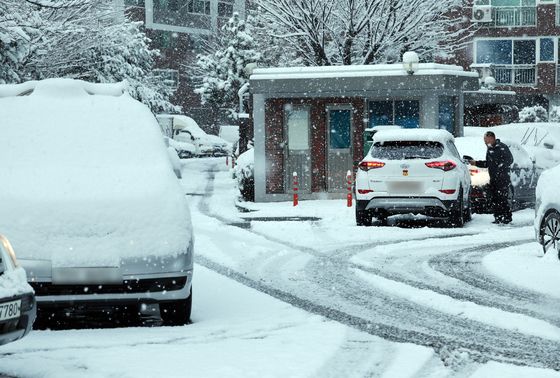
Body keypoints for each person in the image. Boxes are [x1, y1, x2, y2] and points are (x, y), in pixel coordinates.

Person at [469, 131, 514, 224]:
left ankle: (507, 217)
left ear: (492, 138)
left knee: (502, 199)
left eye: (486, 139)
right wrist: (476, 163)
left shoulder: (502, 147)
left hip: (502, 179)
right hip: (493, 178)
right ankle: (498, 217)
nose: (485, 142)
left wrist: (500, 167)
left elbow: (509, 160)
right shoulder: (490, 149)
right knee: (495, 199)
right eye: (484, 140)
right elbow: (488, 163)